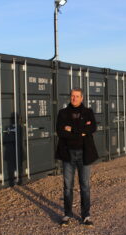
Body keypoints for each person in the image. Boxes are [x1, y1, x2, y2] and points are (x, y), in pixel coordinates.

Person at [55, 88, 99, 227]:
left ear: (82, 98)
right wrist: (81, 131)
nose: (74, 98)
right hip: (68, 154)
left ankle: (86, 215)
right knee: (68, 186)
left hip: (84, 154)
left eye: (77, 96)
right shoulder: (62, 113)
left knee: (85, 186)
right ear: (70, 97)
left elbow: (92, 128)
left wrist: (72, 129)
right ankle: (67, 214)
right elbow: (60, 131)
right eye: (72, 96)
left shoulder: (88, 112)